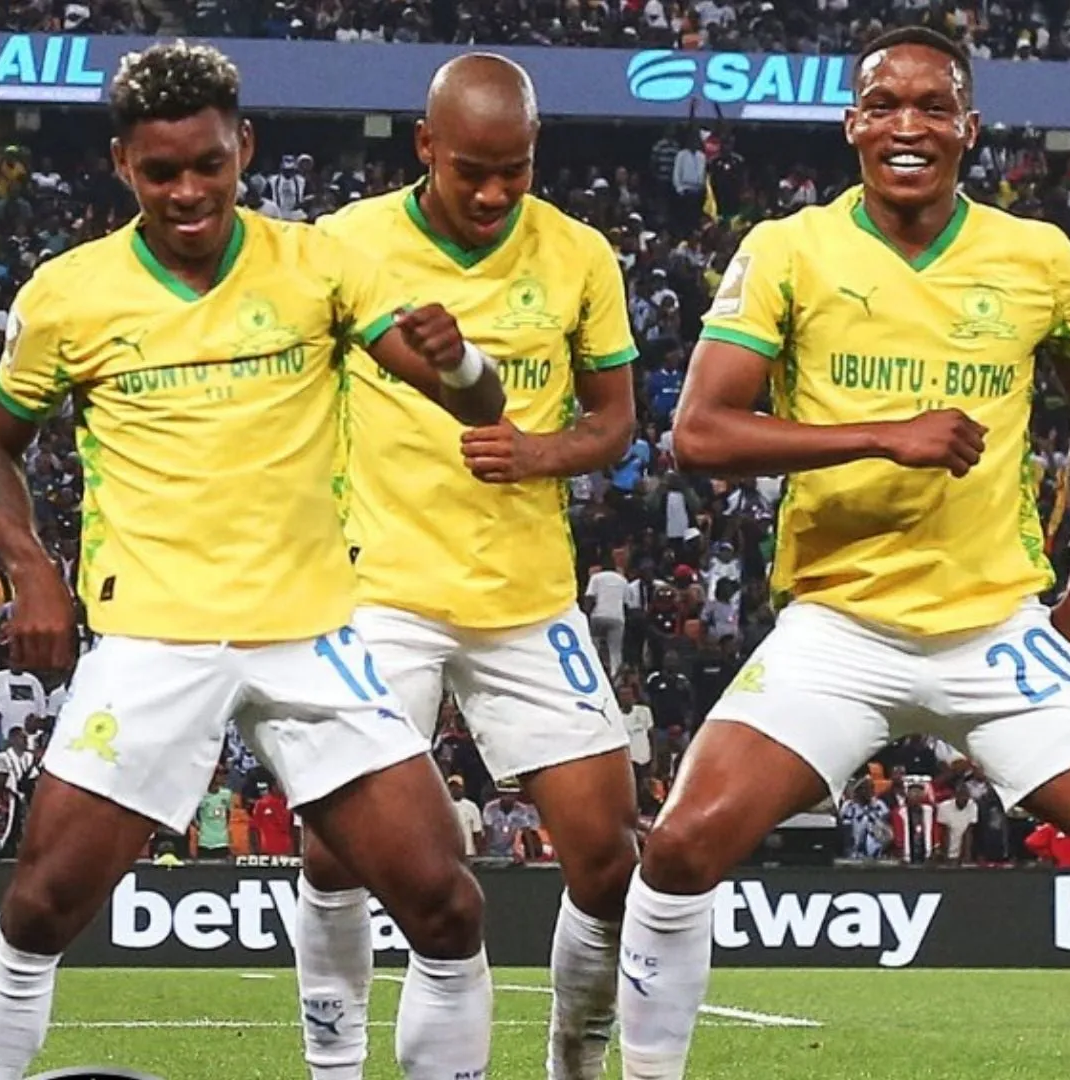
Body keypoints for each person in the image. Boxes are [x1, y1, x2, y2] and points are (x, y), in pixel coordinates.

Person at [620, 28, 1070, 1080]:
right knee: (676, 849)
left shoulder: (1039, 259)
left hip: (996, 630)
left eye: (933, 107)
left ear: (968, 130)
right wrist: (882, 435)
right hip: (840, 628)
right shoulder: (790, 247)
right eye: (884, 104)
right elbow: (701, 433)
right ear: (852, 123)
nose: (908, 125)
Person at [0, 42, 507, 1080]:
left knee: (446, 902)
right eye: (163, 173)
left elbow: (478, 407)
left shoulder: (319, 266)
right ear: (124, 166)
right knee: (40, 905)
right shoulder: (70, 296)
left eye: (210, 163)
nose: (190, 190)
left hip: (311, 634)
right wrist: (32, 569)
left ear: (243, 147)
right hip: (155, 637)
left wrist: (461, 359)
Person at [297, 53, 640, 1080]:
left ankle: (575, 1060)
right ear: (426, 147)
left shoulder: (580, 256)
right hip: (377, 590)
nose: (494, 194)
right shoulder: (344, 247)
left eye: (517, 171)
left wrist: (543, 452)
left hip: (526, 597)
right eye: (473, 171)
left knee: (609, 862)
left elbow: (616, 422)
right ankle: (335, 1066)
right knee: (336, 851)